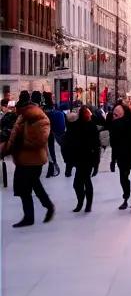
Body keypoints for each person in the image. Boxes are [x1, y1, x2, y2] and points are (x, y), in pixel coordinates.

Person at [2, 91, 55, 227]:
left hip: (33, 160)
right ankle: (46, 207)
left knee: (26, 188)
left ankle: (30, 216)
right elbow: (14, 138)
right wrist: (6, 148)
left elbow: (40, 140)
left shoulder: (39, 118)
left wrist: (22, 142)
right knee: (32, 186)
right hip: (23, 159)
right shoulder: (22, 118)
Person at [64, 103, 101, 214]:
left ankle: (83, 203)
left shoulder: (88, 126)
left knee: (81, 182)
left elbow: (96, 145)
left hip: (86, 158)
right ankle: (84, 203)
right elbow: (96, 145)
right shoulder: (84, 126)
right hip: (83, 158)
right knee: (83, 182)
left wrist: (96, 163)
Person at [44, 93, 65, 176]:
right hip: (50, 130)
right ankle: (53, 165)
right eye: (52, 97)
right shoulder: (51, 107)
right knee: (50, 149)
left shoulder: (43, 108)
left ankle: (52, 166)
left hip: (46, 130)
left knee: (48, 150)